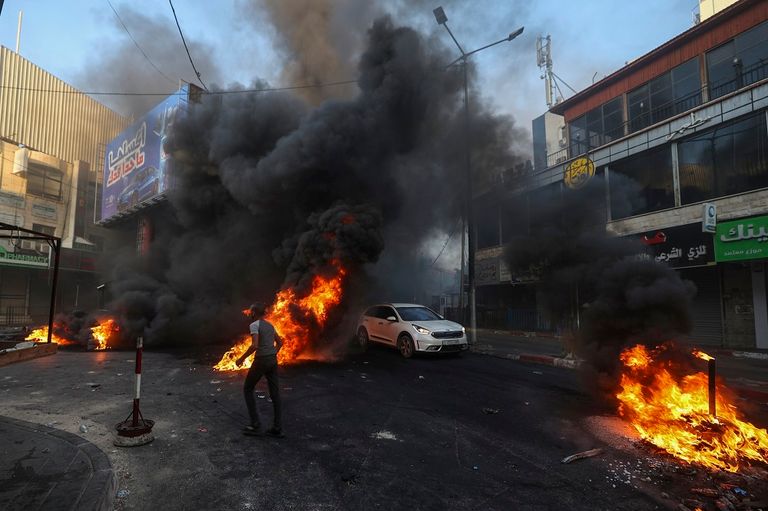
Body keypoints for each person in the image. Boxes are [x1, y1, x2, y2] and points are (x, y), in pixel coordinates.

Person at [236, 302, 284, 438]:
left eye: (251, 312)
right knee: (275, 394)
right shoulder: (270, 325)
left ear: (254, 313)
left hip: (261, 360)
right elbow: (280, 342)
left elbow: (254, 345)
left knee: (247, 389)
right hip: (273, 360)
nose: (249, 314)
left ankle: (255, 425)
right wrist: (274, 352)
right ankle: (277, 428)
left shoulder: (254, 325)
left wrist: (241, 359)